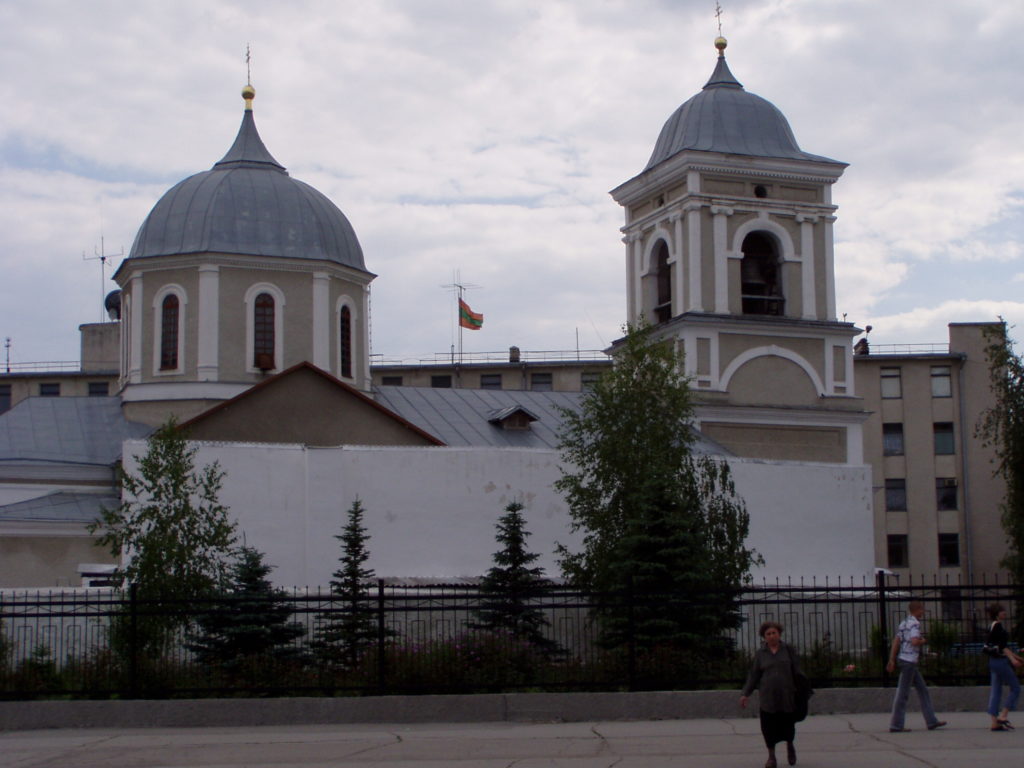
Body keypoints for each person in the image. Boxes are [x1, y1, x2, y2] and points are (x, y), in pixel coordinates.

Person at [740, 621, 803, 768]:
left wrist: (801, 690)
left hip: (787, 696)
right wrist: (745, 694)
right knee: (768, 728)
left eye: (774, 633)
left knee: (788, 725)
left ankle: (790, 746)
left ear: (779, 634)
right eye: (768, 634)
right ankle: (771, 757)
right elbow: (754, 675)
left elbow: (798, 671)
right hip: (768, 698)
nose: (771, 636)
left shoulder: (787, 650)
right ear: (764, 637)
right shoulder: (761, 654)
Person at [886, 600, 946, 733]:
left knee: (923, 690)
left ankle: (931, 721)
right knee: (903, 693)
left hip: (904, 659)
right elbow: (914, 641)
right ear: (918, 610)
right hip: (909, 661)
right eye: (922, 609)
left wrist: (892, 659)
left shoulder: (904, 623)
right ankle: (896, 725)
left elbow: (896, 641)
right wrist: (923, 641)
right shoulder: (915, 624)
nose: (923, 612)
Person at [985, 603, 1022, 731]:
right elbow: (1001, 646)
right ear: (997, 613)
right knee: (1016, 688)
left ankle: (995, 721)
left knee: (996, 690)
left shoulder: (992, 626)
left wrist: (1016, 657)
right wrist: (1013, 660)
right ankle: (1003, 715)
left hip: (993, 660)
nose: (1005, 613)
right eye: (1002, 611)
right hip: (1000, 661)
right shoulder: (998, 626)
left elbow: (1001, 646)